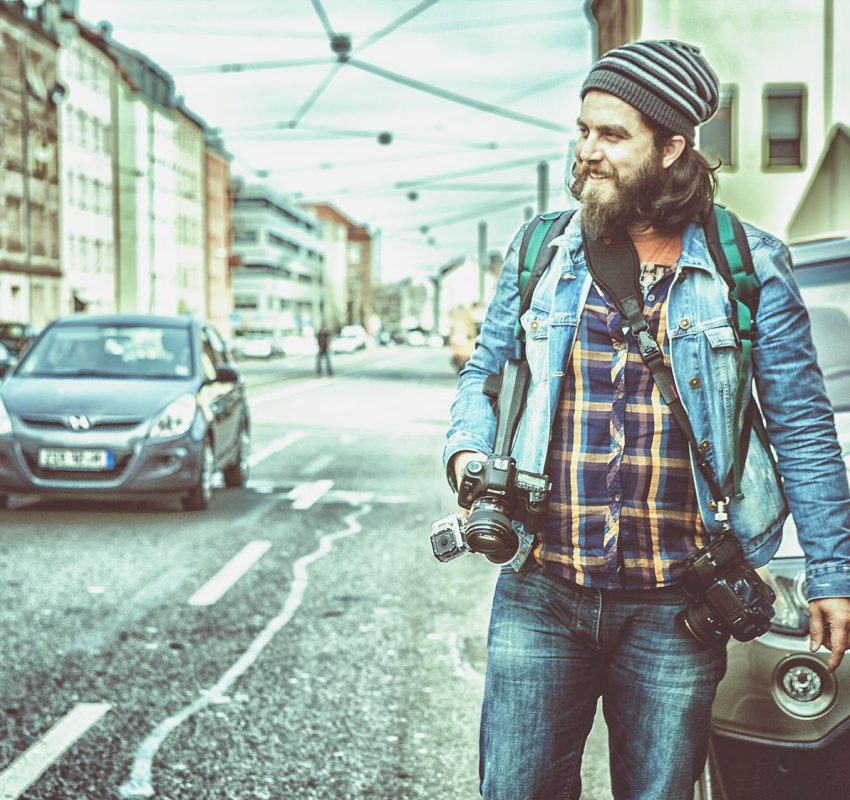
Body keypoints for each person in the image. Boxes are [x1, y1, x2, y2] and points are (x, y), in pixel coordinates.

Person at [443, 39, 850, 800]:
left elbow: (802, 427)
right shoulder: (540, 251)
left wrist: (833, 572)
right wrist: (469, 455)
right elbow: (484, 377)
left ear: (672, 146)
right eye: (583, 129)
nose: (587, 151)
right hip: (541, 589)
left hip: (678, 604)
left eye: (611, 135)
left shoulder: (746, 265)